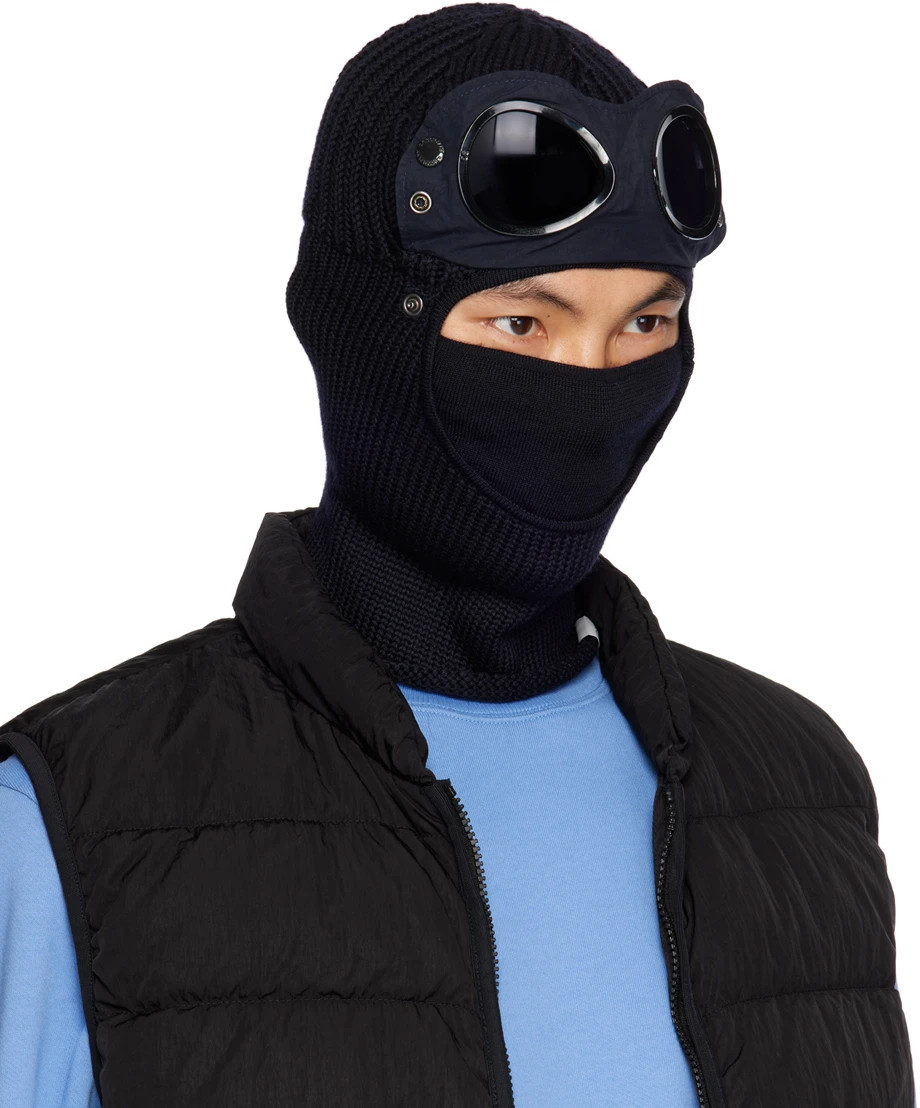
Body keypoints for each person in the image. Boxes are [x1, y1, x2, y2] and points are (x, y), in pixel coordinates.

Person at [0, 3, 915, 1106]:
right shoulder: (78, 812)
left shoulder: (799, 789)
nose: (593, 384)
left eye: (644, 323)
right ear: (356, 327)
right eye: (522, 325)